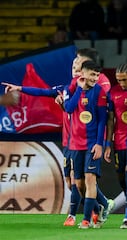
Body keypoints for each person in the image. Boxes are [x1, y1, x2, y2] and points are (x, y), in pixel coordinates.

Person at [1, 48, 114, 227]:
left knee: (87, 179)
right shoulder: (65, 90)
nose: (74, 68)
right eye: (74, 65)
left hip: (88, 142)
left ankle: (80, 216)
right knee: (73, 183)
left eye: (78, 65)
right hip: (70, 142)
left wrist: (103, 143)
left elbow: (102, 118)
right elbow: (44, 93)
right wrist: (20, 88)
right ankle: (101, 205)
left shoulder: (97, 90)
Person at [63, 60, 108, 229]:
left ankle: (86, 220)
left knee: (90, 180)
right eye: (92, 74)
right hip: (75, 145)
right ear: (83, 73)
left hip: (91, 144)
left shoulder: (100, 92)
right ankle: (98, 208)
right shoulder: (73, 88)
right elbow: (69, 108)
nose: (95, 78)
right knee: (79, 185)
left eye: (97, 75)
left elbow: (102, 120)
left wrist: (99, 144)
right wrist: (80, 89)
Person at [104, 63, 127, 229]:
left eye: (125, 80)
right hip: (119, 141)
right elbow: (110, 120)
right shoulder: (113, 92)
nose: (122, 84)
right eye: (119, 80)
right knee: (122, 179)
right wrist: (107, 144)